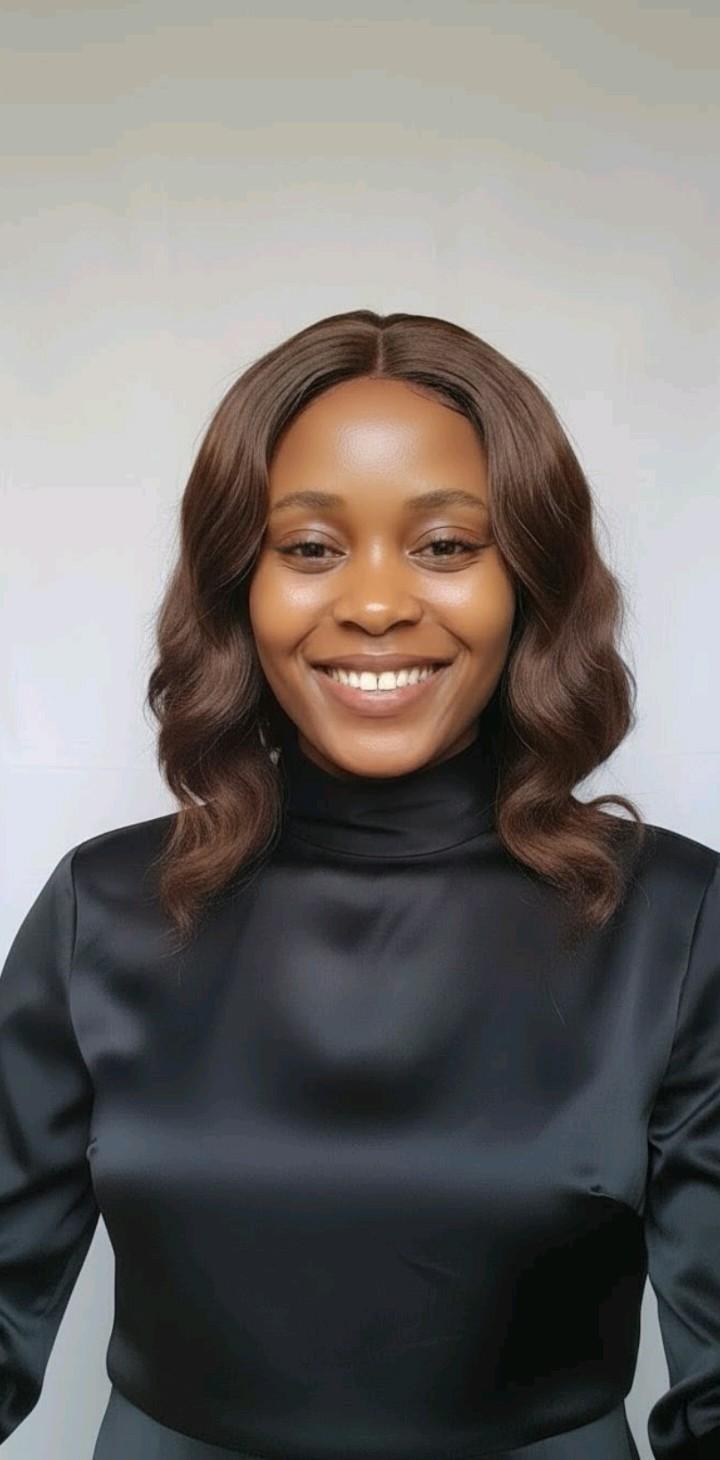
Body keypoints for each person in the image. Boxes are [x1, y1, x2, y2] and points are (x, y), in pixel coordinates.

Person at [1, 310, 718, 1460]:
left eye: (445, 544)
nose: (376, 603)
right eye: (309, 547)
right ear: (239, 582)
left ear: (528, 577)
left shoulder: (675, 923)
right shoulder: (103, 909)